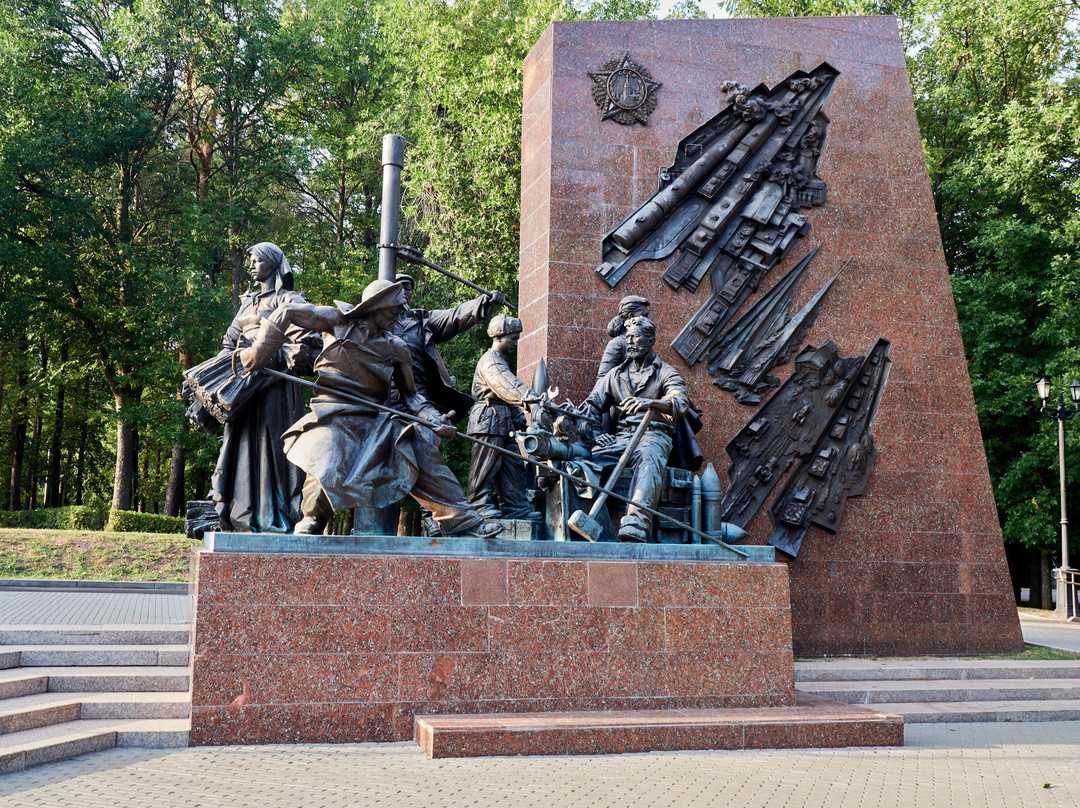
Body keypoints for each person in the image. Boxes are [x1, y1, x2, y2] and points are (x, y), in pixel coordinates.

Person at [237, 278, 501, 539]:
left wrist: (434, 420)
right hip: (333, 413)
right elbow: (287, 312)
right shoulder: (337, 322)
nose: (398, 316)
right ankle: (313, 518)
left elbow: (412, 398)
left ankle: (461, 520)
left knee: (419, 449)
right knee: (328, 458)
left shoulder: (396, 348)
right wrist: (258, 352)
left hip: (375, 417)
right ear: (376, 306)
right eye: (394, 310)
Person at [188, 242, 321, 533]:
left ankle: (278, 517)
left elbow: (310, 346)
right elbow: (229, 343)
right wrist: (211, 385)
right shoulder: (248, 302)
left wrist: (272, 357)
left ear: (274, 264)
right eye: (250, 260)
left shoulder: (290, 299)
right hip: (241, 386)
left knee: (273, 449)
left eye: (257, 260)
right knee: (239, 446)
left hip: (275, 389)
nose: (251, 265)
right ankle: (241, 517)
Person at [582, 316, 690, 542]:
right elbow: (590, 407)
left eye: (635, 337)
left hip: (653, 435)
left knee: (649, 457)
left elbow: (679, 402)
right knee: (580, 461)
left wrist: (651, 403)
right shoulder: (615, 375)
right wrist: (596, 435)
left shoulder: (665, 372)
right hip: (620, 439)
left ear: (650, 340)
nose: (629, 342)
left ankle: (636, 524)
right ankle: (585, 525)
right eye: (627, 337)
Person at [392, 273, 508, 418]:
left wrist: (483, 302)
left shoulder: (422, 320)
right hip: (387, 392)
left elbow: (454, 316)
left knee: (426, 435)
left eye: (407, 288)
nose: (403, 292)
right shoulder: (378, 322)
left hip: (419, 392)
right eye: (398, 287)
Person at [466, 314, 541, 520]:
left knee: (513, 465)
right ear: (499, 337)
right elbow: (505, 385)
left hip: (502, 420)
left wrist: (519, 418)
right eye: (513, 338)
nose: (516, 344)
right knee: (485, 467)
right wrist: (529, 396)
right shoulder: (490, 361)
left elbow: (503, 396)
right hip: (487, 420)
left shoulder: (500, 360)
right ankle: (478, 505)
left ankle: (516, 508)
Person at [597, 295, 650, 378]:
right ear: (630, 316)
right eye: (644, 316)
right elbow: (602, 377)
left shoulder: (644, 341)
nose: (648, 320)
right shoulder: (617, 343)